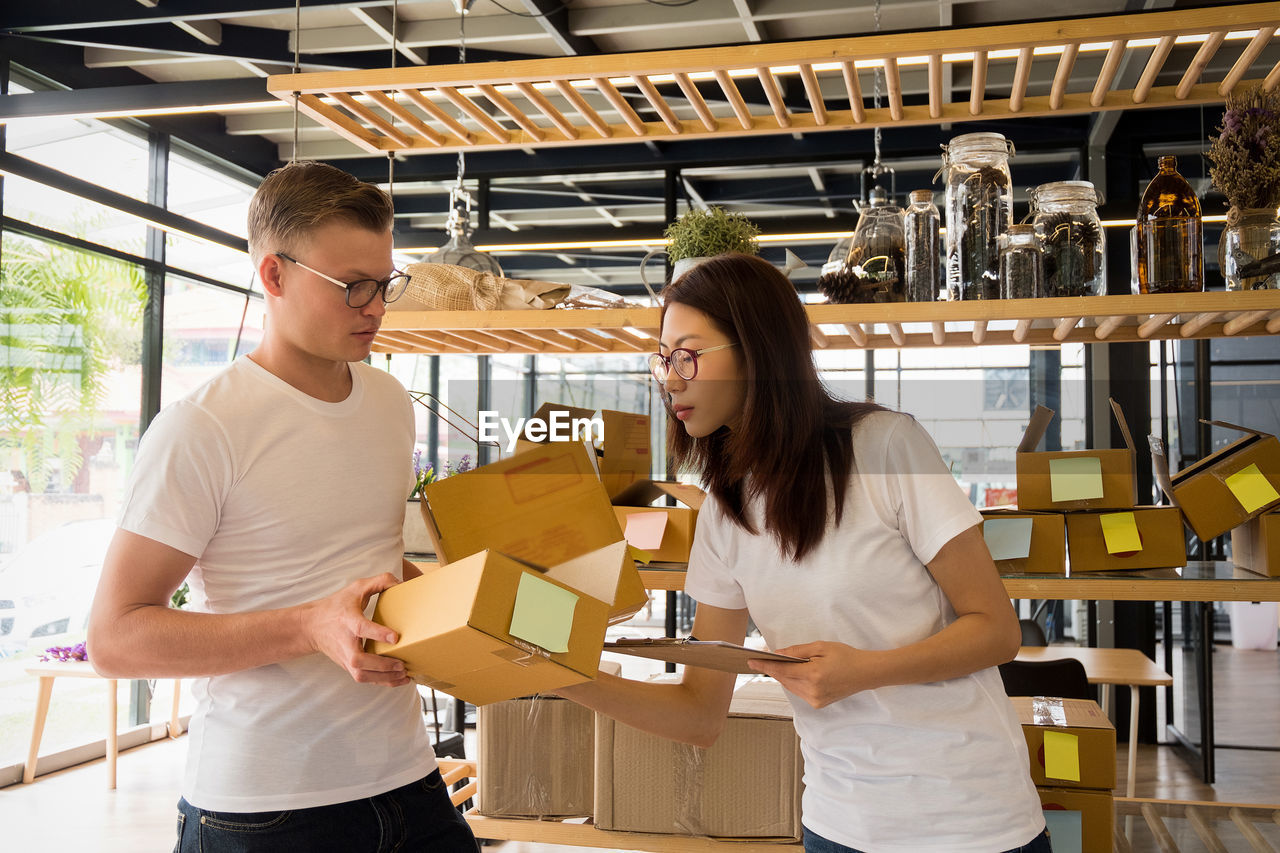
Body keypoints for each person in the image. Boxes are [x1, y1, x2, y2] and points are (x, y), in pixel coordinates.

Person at [558, 253, 1050, 853]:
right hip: (835, 825)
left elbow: (996, 630)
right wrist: (557, 674)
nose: (671, 377)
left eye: (688, 352)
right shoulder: (723, 513)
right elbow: (698, 714)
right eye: (663, 357)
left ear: (758, 351)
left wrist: (865, 670)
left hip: (968, 820)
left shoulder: (886, 446)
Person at [87, 161, 478, 852]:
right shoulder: (203, 427)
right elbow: (115, 638)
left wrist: (472, 606)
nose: (376, 306)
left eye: (385, 283)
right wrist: (307, 626)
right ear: (274, 275)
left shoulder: (389, 402)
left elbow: (364, 570)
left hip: (410, 778)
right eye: (352, 286)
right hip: (263, 809)